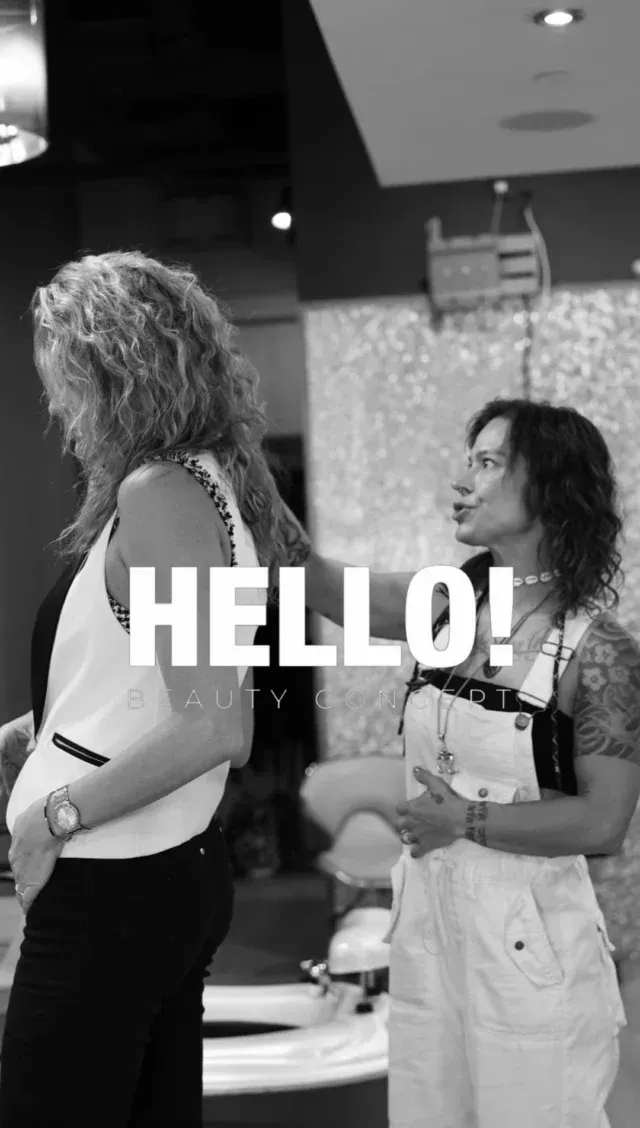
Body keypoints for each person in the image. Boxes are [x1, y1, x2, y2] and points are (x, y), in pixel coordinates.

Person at [280, 397, 640, 1128]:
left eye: (485, 464)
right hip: (429, 929)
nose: (461, 483)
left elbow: (604, 823)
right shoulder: (443, 607)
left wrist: (467, 819)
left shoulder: (598, 652)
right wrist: (235, 470)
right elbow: (311, 577)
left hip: (528, 945)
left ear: (548, 486)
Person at [0, 250, 285, 1127]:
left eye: (65, 379)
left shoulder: (162, 494)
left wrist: (55, 818)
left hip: (111, 884)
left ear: (114, 371)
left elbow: (214, 727)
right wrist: (38, 733)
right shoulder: (202, 489)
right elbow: (156, 685)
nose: (59, 408)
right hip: (153, 880)